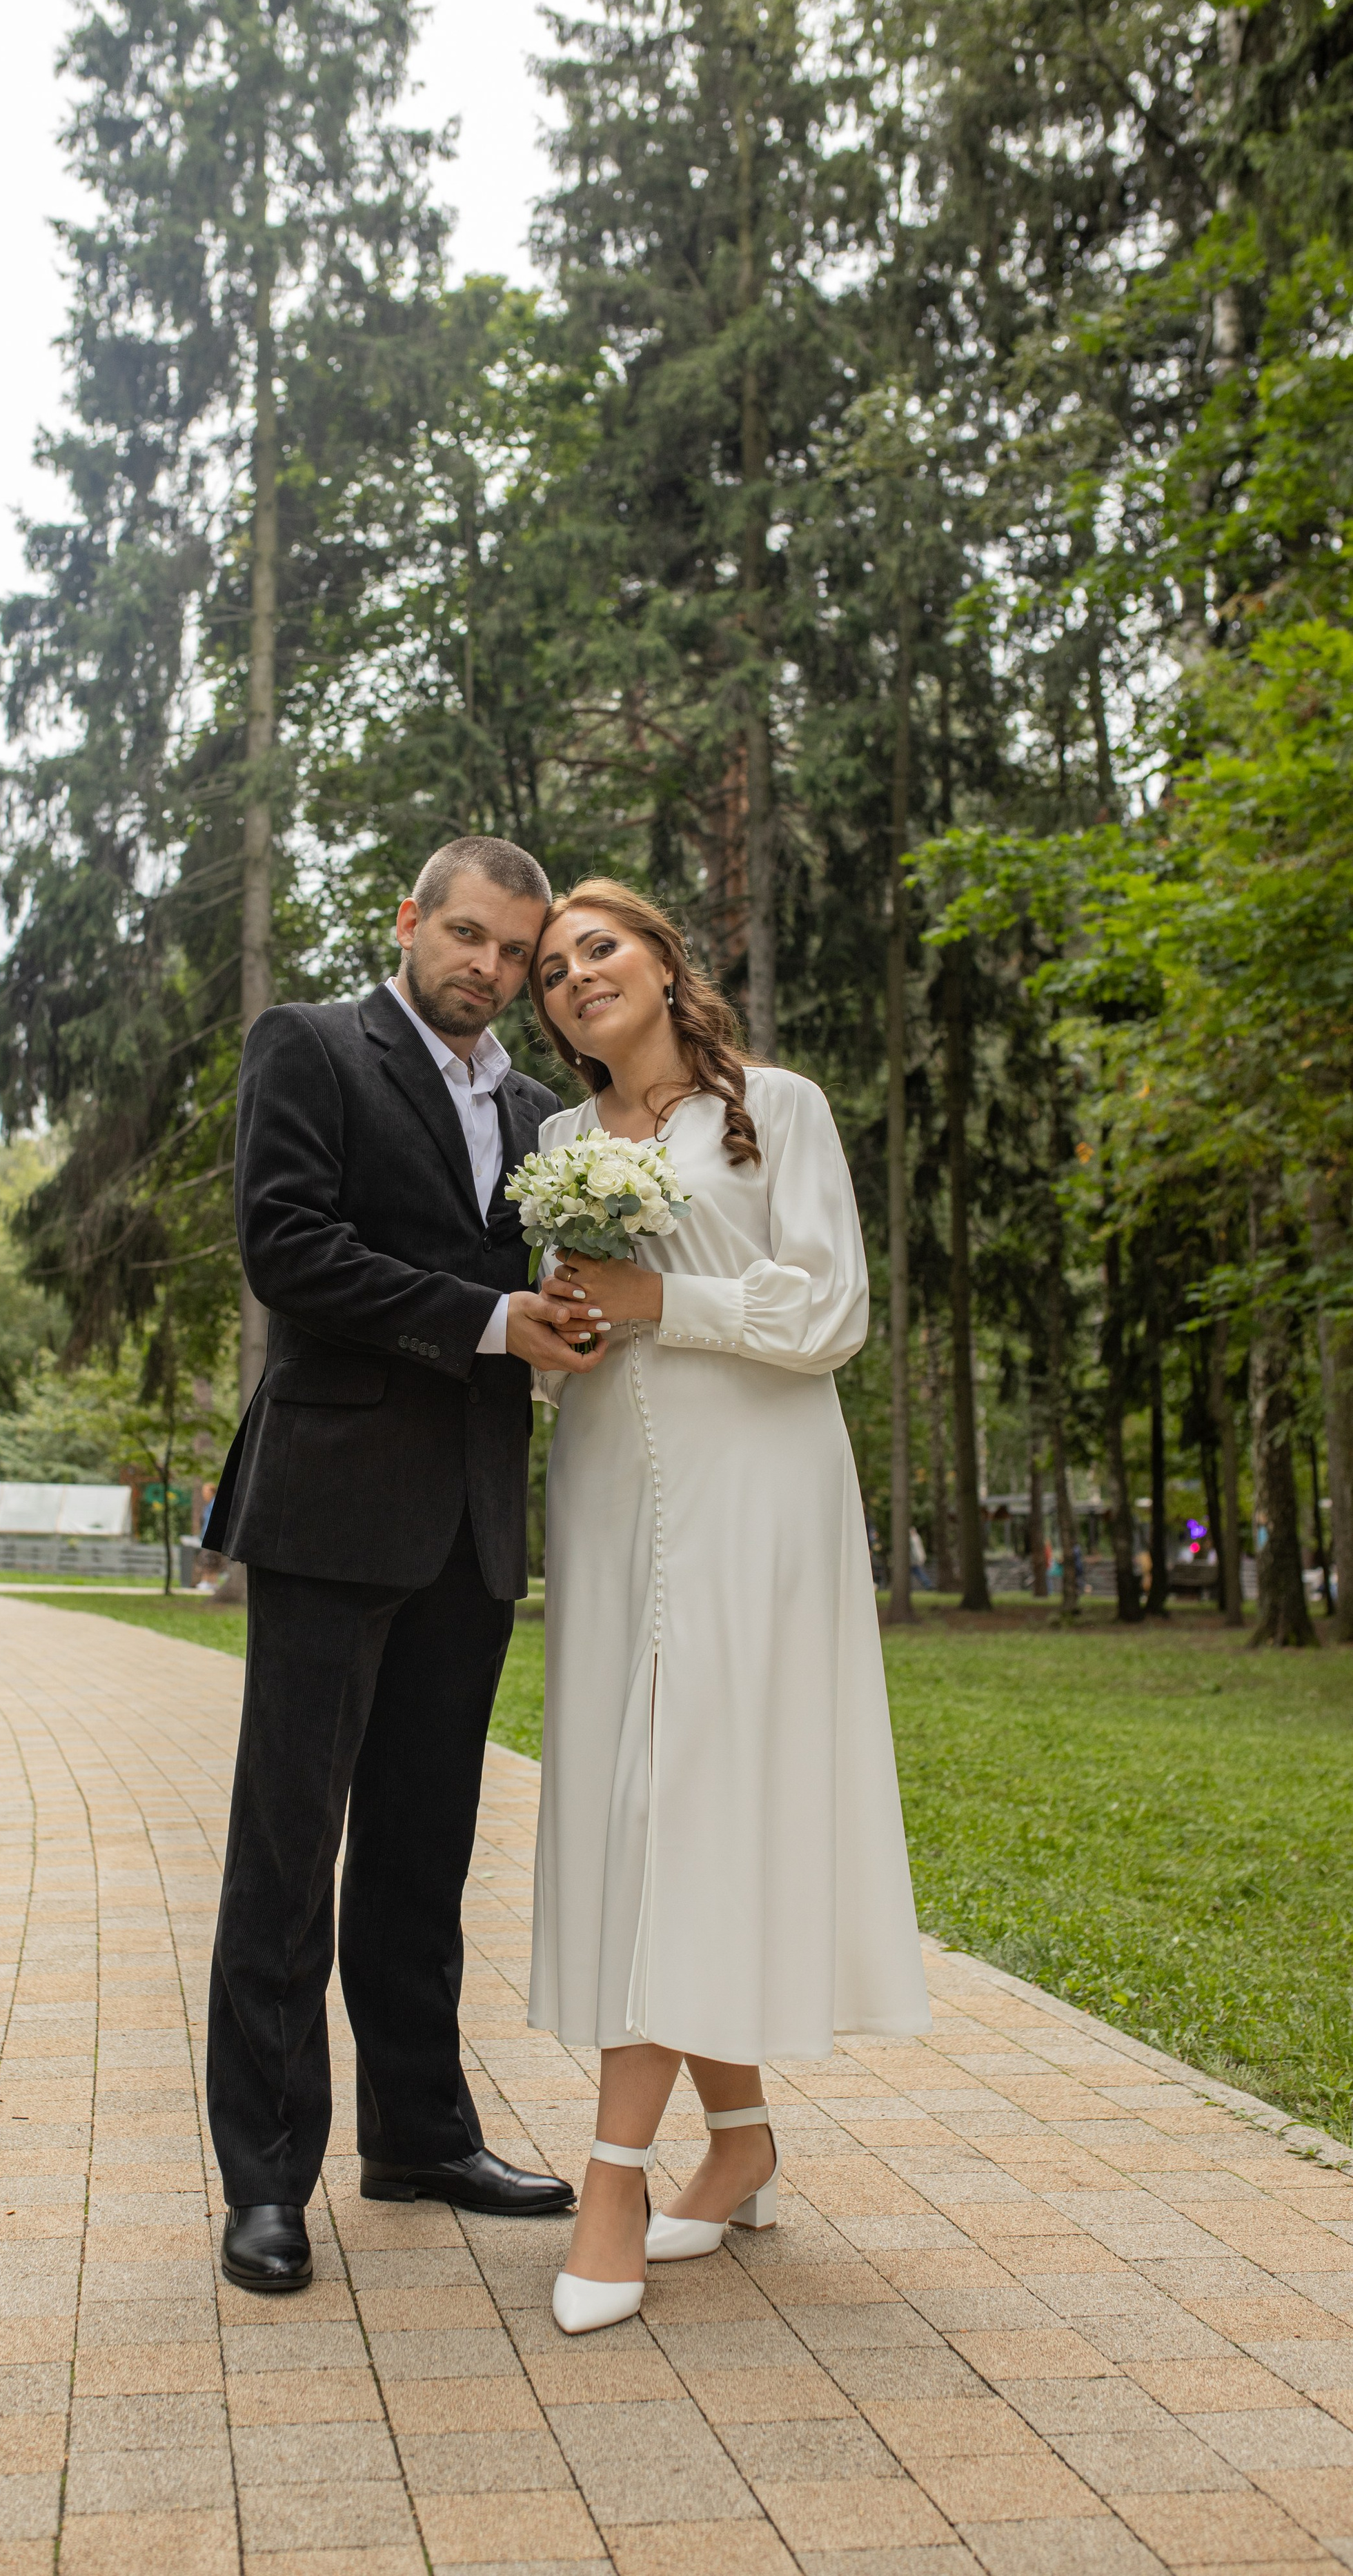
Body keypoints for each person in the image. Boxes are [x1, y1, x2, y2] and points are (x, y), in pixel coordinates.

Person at [524, 879, 930, 2335]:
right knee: (643, 1807)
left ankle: (611, 2176)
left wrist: (660, 1303)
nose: (577, 976)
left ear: (660, 960)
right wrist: (561, 1334)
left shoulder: (779, 1106)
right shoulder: (560, 1142)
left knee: (677, 1809)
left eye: (601, 948)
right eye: (553, 968)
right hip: (604, 1498)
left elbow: (828, 1319)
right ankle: (742, 2144)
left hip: (752, 1495)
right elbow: (572, 1324)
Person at [204, 836, 606, 2293]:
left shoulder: (551, 1113)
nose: (489, 971)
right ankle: (264, 2181)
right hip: (329, 1504)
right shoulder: (310, 1048)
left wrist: (574, 1318)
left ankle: (418, 2132)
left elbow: (550, 1286)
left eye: (514, 953)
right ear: (410, 921)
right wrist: (495, 1322)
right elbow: (286, 1248)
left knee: (425, 1848)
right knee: (285, 1851)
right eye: (469, 938)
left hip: (473, 1517)